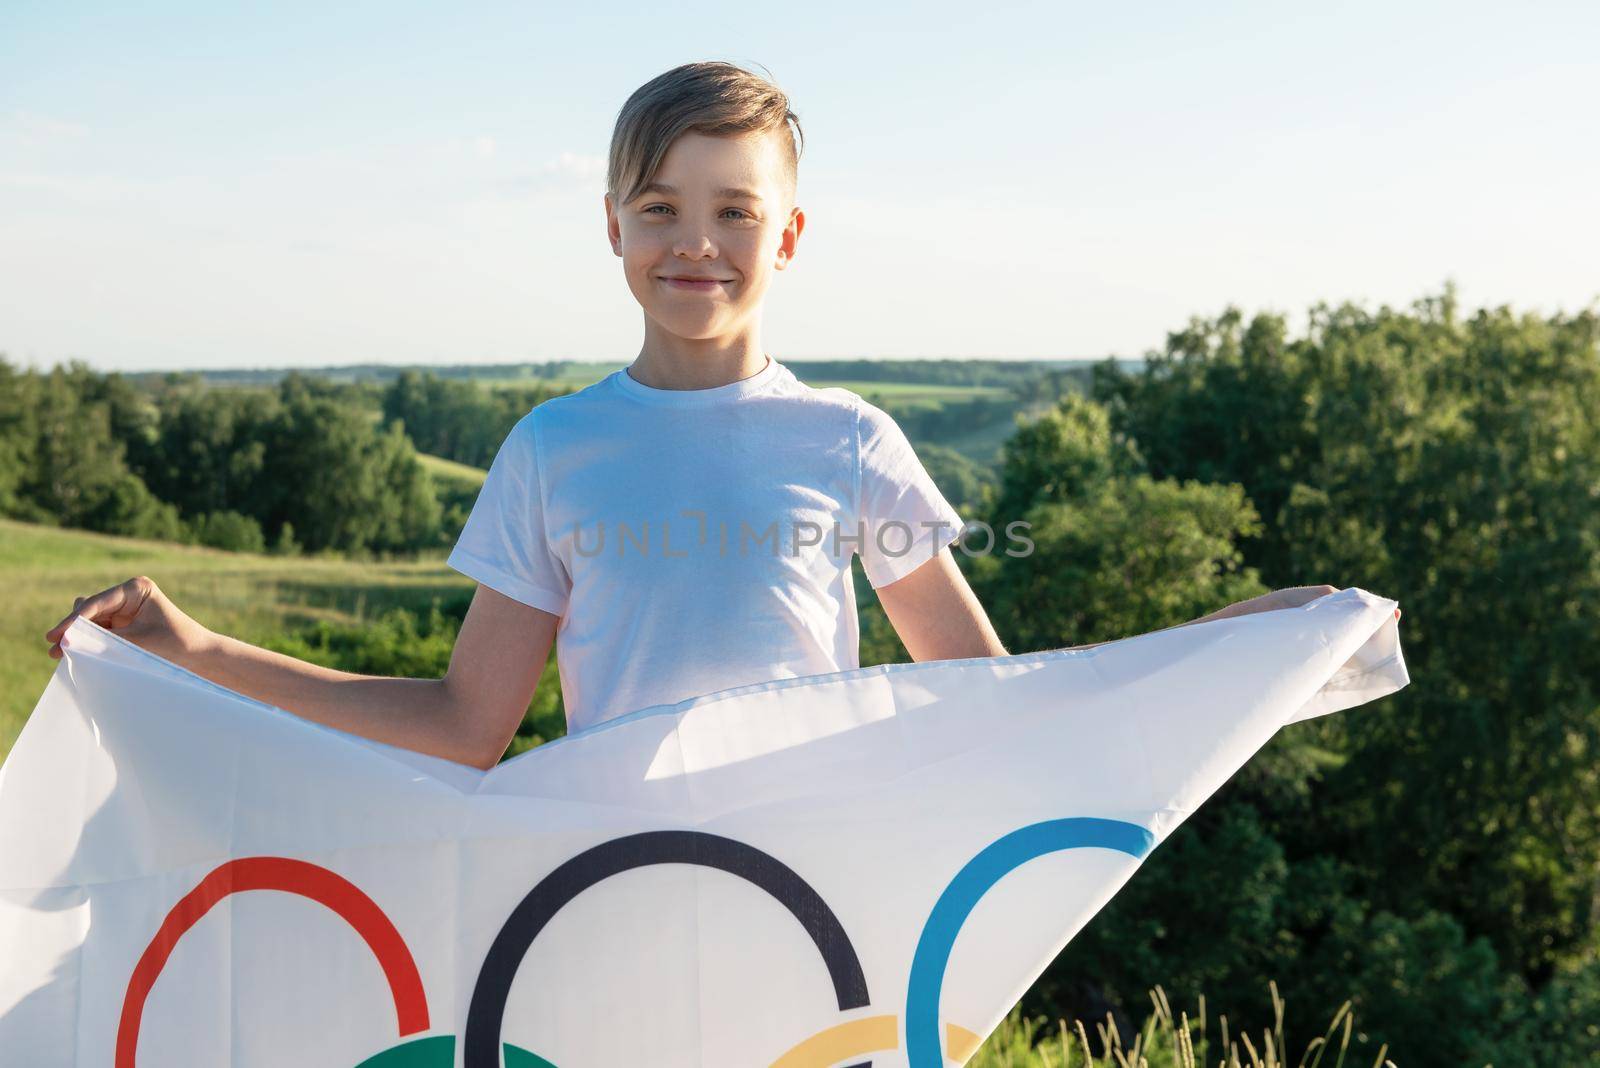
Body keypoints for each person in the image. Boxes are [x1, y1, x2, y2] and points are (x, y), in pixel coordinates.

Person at [41, 61, 1376, 771]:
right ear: (613, 223)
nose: (698, 243)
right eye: (664, 208)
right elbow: (463, 726)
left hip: (825, 879)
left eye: (734, 210)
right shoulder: (554, 450)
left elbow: (986, 701)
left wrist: (1210, 655)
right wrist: (201, 647)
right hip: (609, 871)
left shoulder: (850, 444)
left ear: (786, 234)